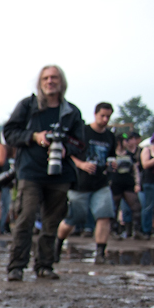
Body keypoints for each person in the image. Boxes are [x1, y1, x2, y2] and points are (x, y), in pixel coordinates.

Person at [2, 65, 84, 281]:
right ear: (40, 82)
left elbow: (80, 143)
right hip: (30, 171)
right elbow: (9, 132)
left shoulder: (71, 112)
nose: (50, 81)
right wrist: (34, 137)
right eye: (46, 78)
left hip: (60, 173)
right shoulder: (28, 106)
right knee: (25, 218)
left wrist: (67, 148)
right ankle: (16, 266)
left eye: (54, 78)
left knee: (51, 222)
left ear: (61, 82)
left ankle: (45, 265)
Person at [54, 102, 116, 264]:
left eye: (108, 116)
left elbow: (111, 156)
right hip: (80, 183)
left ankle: (100, 253)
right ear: (95, 114)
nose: (105, 119)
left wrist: (112, 164)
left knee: (104, 216)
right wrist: (81, 164)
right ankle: (57, 245)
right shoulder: (84, 132)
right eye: (102, 115)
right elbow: (68, 152)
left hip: (101, 183)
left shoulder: (110, 136)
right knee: (73, 218)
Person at [110, 132, 143, 239]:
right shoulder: (112, 154)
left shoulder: (130, 155)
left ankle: (136, 231)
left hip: (128, 183)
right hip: (115, 183)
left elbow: (135, 170)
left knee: (136, 206)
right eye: (125, 140)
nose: (127, 142)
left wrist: (137, 183)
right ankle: (114, 231)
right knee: (115, 207)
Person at [139, 129, 154, 238]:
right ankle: (146, 230)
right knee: (148, 206)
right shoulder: (147, 150)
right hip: (150, 181)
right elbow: (145, 164)